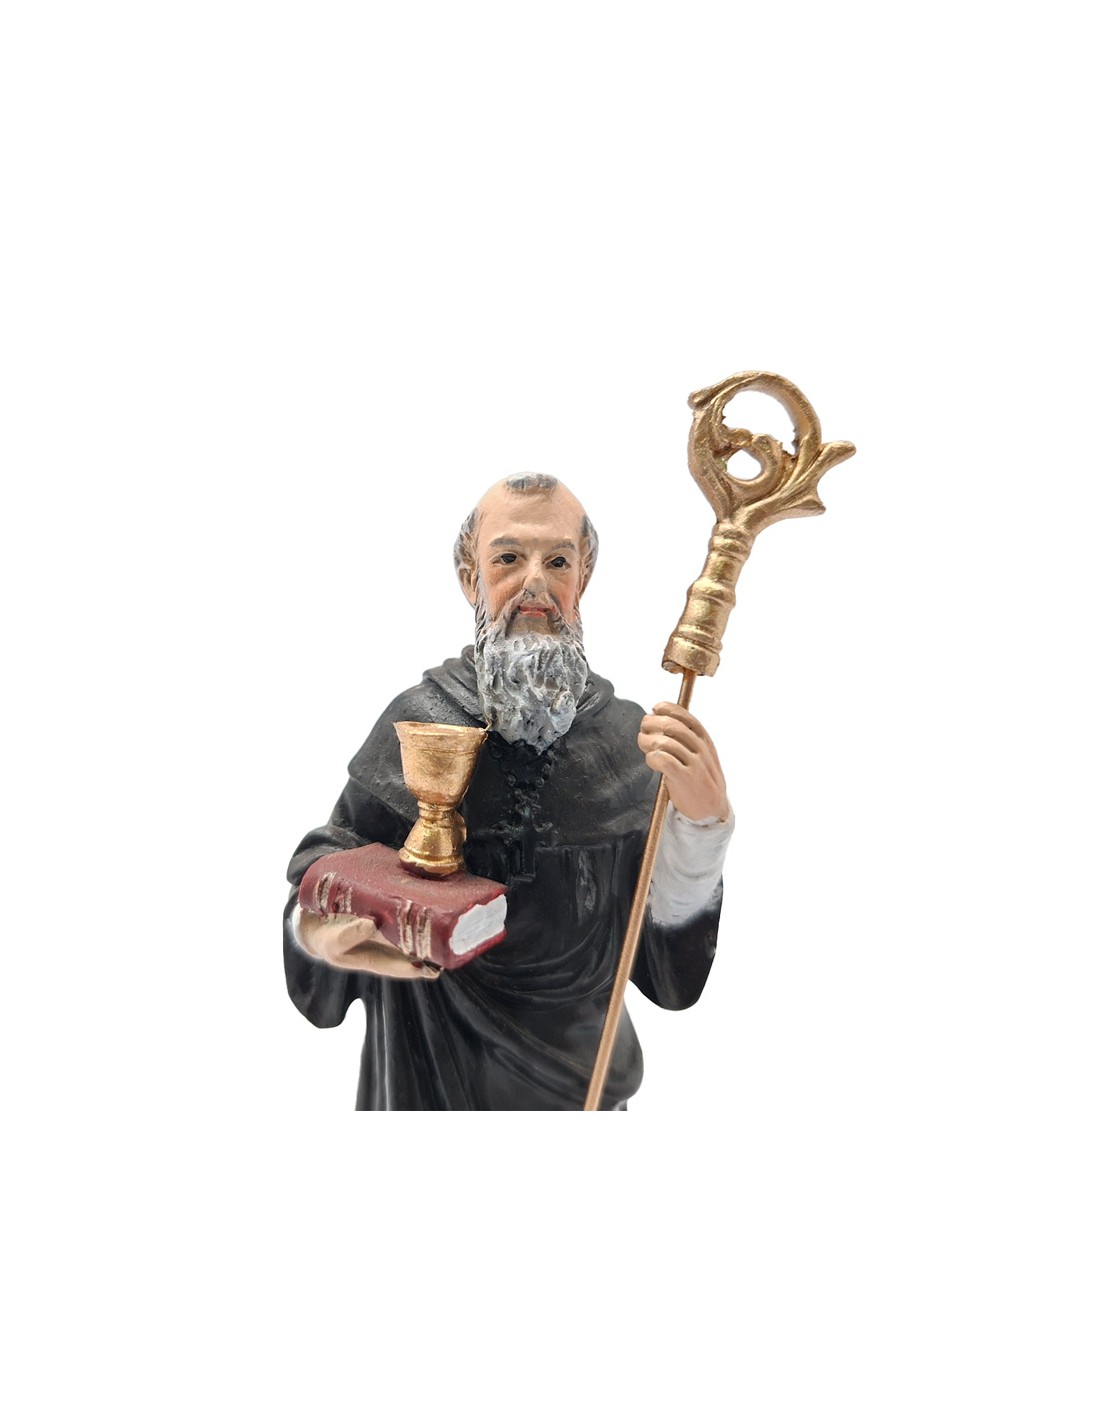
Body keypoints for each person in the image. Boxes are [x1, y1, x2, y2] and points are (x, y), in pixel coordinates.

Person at [284, 474, 733, 1110]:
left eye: (558, 562)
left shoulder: (626, 741)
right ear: (471, 578)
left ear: (584, 578)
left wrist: (702, 827)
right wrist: (320, 934)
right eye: (508, 559)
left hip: (581, 1078)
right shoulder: (419, 722)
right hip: (428, 1072)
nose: (535, 584)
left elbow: (661, 953)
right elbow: (330, 869)